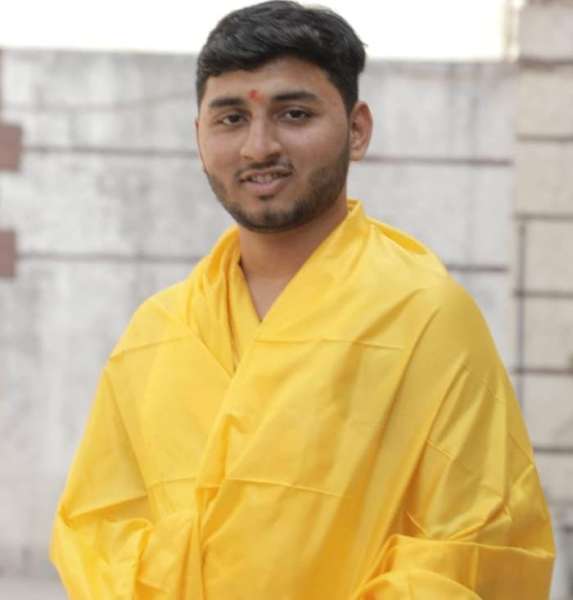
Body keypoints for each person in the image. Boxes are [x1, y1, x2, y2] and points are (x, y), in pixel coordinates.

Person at [50, 1, 555, 598]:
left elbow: (479, 545)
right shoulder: (158, 332)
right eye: (231, 118)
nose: (258, 147)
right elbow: (98, 530)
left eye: (294, 114)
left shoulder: (426, 317)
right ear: (199, 137)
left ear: (357, 129)